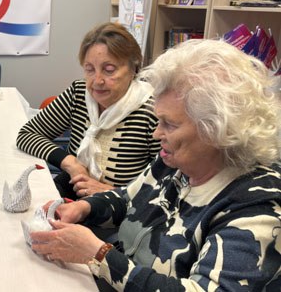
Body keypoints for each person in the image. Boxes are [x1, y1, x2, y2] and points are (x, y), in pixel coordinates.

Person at [30, 39, 281, 291]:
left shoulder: (256, 209)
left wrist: (98, 255)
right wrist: (85, 208)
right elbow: (129, 199)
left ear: (217, 130)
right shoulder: (176, 162)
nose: (156, 133)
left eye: (169, 124)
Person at [16, 22, 160, 198]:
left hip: (123, 207)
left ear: (133, 69)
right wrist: (70, 163)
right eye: (89, 70)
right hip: (74, 193)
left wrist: (113, 194)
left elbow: (167, 184)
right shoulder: (78, 93)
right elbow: (27, 134)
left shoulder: (153, 111)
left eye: (109, 70)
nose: (97, 81)